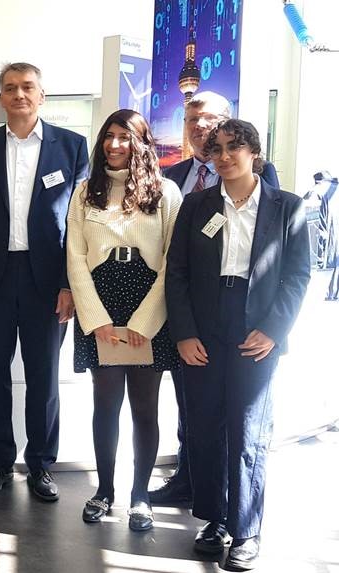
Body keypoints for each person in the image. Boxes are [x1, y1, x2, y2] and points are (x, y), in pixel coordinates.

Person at [166, 119, 310, 570]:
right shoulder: (196, 205)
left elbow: (297, 275)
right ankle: (213, 520)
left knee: (248, 431)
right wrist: (185, 333)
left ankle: (245, 530)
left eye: (235, 147)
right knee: (205, 427)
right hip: (204, 327)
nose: (225, 156)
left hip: (256, 327)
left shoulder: (287, 207)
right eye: (218, 149)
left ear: (254, 152)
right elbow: (178, 273)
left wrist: (274, 329)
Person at [0, 62, 89, 500]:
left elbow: (79, 223)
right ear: (0, 97)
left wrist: (71, 284)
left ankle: (41, 465)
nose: (19, 95)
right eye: (10, 88)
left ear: (42, 94)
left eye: (28, 87)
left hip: (48, 283)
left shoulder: (71, 147)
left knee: (43, 377)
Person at [153, 91, 281, 505]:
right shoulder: (174, 178)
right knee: (194, 409)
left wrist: (274, 326)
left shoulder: (266, 183)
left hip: (245, 316)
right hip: (193, 313)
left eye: (207, 119)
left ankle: (234, 506)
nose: (199, 127)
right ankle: (190, 480)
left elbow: (275, 255)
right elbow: (172, 258)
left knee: (242, 420)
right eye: (191, 120)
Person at [66, 109, 182, 530]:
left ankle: (139, 495)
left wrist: (147, 319)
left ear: (142, 143)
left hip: (148, 303)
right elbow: (75, 258)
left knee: (145, 410)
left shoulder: (167, 193)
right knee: (105, 405)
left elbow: (173, 262)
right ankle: (104, 491)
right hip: (101, 301)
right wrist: (93, 317)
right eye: (109, 136)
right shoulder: (85, 193)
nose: (115, 145)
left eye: (125, 137)